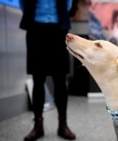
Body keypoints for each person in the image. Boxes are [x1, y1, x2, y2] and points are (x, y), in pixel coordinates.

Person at [19, 0, 76, 140]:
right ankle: (38, 125)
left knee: (60, 79)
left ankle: (63, 125)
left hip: (58, 29)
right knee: (38, 79)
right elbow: (23, 2)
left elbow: (68, 3)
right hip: (35, 28)